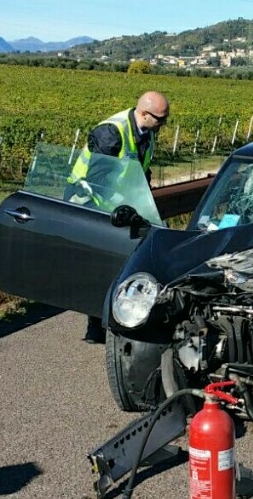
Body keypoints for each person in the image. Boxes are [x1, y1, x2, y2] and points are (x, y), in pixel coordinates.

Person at [67, 91, 170, 343]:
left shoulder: (147, 133)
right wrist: (122, 207)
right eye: (161, 119)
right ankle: (95, 325)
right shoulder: (111, 133)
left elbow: (140, 173)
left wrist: (144, 204)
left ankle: (122, 316)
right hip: (89, 202)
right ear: (144, 114)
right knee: (101, 264)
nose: (163, 125)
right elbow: (98, 181)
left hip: (122, 205)